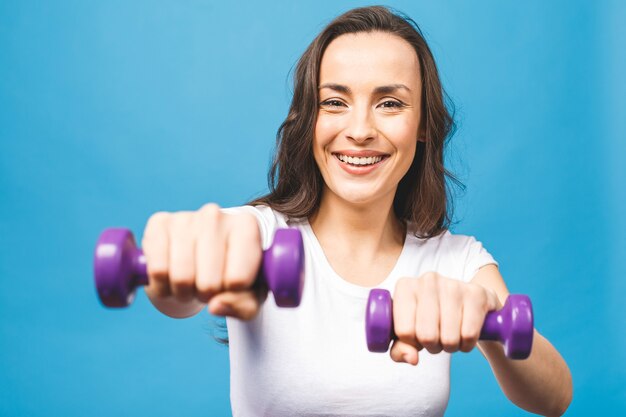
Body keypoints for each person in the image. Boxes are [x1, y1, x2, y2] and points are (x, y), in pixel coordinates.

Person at [140, 6, 572, 417]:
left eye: (390, 103)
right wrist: (181, 263)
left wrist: (487, 316)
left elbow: (554, 398)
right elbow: (175, 298)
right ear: (310, 119)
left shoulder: (455, 260)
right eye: (334, 102)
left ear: (423, 124)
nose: (361, 130)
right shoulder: (259, 234)